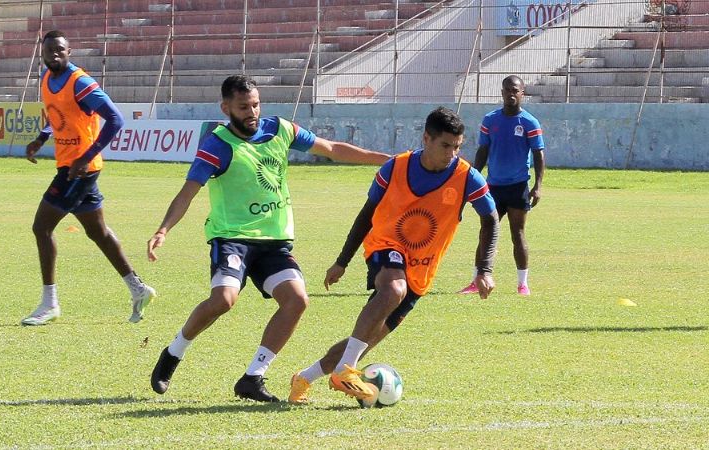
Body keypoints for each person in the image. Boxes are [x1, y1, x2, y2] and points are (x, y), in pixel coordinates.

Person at [147, 74, 390, 402]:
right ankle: (173, 353)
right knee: (223, 300)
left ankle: (253, 377)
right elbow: (188, 192)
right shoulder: (217, 145)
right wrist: (164, 228)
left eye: (256, 104)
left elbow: (331, 149)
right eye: (243, 106)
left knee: (297, 300)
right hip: (232, 238)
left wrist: (387, 160)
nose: (252, 112)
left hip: (274, 242)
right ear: (226, 107)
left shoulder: (280, 129)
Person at [288, 106, 499, 405]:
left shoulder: (467, 177)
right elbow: (366, 214)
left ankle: (304, 378)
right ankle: (346, 372)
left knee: (365, 339)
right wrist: (342, 260)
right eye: (445, 146)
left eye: (457, 147)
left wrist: (484, 269)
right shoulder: (395, 168)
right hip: (385, 246)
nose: (451, 153)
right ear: (427, 138)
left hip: (421, 269)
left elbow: (490, 219)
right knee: (393, 289)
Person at [22, 30, 155, 326]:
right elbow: (55, 116)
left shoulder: (80, 82)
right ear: (42, 53)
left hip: (80, 170)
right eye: (49, 50)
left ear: (69, 52)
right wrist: (40, 139)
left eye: (60, 50)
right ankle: (138, 289)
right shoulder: (46, 79)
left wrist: (86, 155)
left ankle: (49, 303)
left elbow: (115, 119)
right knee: (98, 233)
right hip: (70, 166)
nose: (54, 54)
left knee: (41, 227)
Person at [458, 75, 545, 296]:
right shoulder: (490, 120)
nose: (510, 94)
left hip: (517, 186)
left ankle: (522, 283)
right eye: (507, 90)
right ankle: (477, 279)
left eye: (515, 90)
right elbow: (483, 151)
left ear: (522, 93)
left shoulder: (529, 122)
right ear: (502, 92)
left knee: (518, 233)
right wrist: (473, 177)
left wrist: (538, 185)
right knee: (486, 232)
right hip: (493, 187)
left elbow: (538, 154)